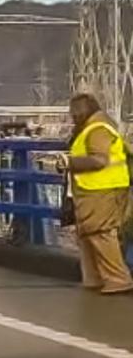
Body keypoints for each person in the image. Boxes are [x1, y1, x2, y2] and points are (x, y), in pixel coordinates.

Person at [63, 92, 133, 294]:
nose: (72, 116)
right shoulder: (92, 128)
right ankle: (94, 277)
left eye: (74, 111)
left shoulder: (98, 129)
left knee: (101, 233)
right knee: (87, 234)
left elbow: (99, 160)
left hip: (104, 188)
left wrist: (69, 162)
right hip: (92, 188)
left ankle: (118, 278)